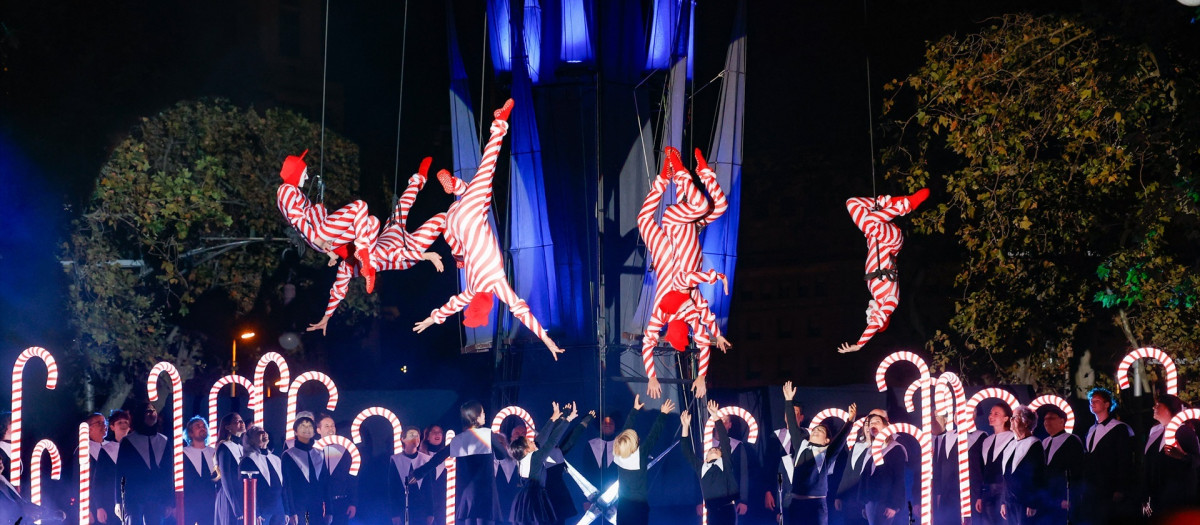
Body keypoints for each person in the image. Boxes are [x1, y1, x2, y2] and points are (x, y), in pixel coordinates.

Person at [413, 100, 563, 360]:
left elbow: (521, 311)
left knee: (488, 165)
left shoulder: (497, 284)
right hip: (454, 223)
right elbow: (452, 306)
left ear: (490, 301)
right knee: (459, 248)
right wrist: (431, 319)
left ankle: (499, 122)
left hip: (470, 216)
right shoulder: (469, 290)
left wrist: (547, 339)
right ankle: (458, 187)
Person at [307, 157, 445, 334]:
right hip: (409, 252)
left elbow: (338, 289)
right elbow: (393, 256)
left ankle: (420, 178)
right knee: (442, 217)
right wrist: (426, 256)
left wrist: (326, 316)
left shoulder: (355, 252)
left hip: (391, 235)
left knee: (401, 205)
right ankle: (459, 248)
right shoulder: (348, 267)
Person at [638, 146, 732, 400]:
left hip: (672, 238)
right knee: (720, 206)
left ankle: (673, 174)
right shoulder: (689, 310)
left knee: (697, 204)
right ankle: (701, 171)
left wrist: (715, 276)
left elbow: (686, 279)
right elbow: (702, 333)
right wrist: (717, 336)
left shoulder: (665, 307)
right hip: (686, 233)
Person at [837, 188, 929, 353]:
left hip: (874, 235)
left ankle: (887, 202)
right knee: (872, 219)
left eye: (869, 317)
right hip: (891, 242)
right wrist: (860, 343)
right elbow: (876, 324)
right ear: (881, 317)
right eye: (872, 317)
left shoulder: (873, 291)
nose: (869, 315)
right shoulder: (891, 300)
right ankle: (907, 204)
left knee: (852, 203)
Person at [276, 149, 381, 291]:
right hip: (320, 233)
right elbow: (299, 222)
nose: (306, 177)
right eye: (304, 172)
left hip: (322, 236)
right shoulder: (286, 190)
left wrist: (330, 252)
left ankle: (365, 265)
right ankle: (364, 254)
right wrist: (319, 241)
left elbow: (307, 220)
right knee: (360, 206)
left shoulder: (295, 192)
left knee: (373, 222)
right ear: (296, 172)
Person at [412, 400, 514, 525]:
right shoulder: (487, 434)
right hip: (486, 492)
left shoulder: (459, 439)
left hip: (467, 493)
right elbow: (502, 455)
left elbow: (437, 459)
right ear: (474, 416)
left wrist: (418, 473)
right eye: (482, 412)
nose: (484, 414)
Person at [782, 381, 857, 525]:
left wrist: (850, 422)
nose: (816, 430)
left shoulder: (826, 453)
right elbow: (792, 425)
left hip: (816, 506)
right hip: (796, 503)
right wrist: (788, 401)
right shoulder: (801, 445)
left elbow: (840, 440)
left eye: (821, 431)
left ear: (827, 440)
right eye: (815, 429)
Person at [508, 402, 574, 524]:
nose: (534, 442)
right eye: (530, 442)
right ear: (527, 449)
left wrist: (554, 418)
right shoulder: (536, 458)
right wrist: (568, 420)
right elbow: (551, 440)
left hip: (525, 498)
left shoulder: (523, 457)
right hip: (535, 498)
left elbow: (542, 438)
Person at [613, 395, 674, 525]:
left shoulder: (618, 454)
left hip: (623, 505)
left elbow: (624, 433)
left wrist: (634, 410)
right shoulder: (639, 456)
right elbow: (654, 435)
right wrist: (663, 414)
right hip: (639, 506)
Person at [1080, 388, 1135, 524]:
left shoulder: (1119, 428)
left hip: (1109, 487)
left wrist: (1120, 488)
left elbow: (1124, 459)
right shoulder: (1091, 429)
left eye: (1097, 401)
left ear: (1107, 404)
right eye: (1091, 401)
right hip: (1091, 487)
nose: (1092, 403)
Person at [680, 401, 740, 525]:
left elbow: (724, 440)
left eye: (716, 450)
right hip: (712, 511)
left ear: (722, 455)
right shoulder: (701, 467)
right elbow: (687, 452)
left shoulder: (725, 464)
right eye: (711, 450)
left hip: (727, 509)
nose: (713, 449)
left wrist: (716, 417)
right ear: (705, 458)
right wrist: (685, 426)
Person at [1142, 394, 1199, 518]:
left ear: (1169, 408)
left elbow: (1196, 460)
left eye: (1158, 405)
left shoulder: (1184, 431)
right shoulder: (1155, 432)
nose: (1153, 407)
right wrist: (1145, 494)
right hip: (1156, 496)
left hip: (1177, 497)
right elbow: (1148, 464)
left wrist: (1182, 456)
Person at [116, 402, 173, 524]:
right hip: (133, 496)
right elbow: (120, 473)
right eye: (148, 411)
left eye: (153, 411)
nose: (152, 414)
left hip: (157, 496)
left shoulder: (164, 441)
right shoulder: (128, 441)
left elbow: (168, 473)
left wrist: (169, 500)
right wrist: (118, 501)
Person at [831, 409, 879, 525]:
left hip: (869, 497)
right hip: (851, 497)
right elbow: (847, 471)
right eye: (866, 424)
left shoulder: (880, 447)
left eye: (872, 424)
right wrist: (839, 495)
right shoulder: (857, 446)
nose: (868, 427)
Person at [1000, 406, 1045, 525]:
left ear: (1026, 422)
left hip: (1025, 502)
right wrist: (1004, 502)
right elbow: (1006, 476)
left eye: (1015, 417)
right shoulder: (1010, 445)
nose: (1011, 420)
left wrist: (1033, 503)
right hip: (1010, 502)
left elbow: (1037, 476)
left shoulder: (1034, 444)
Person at [860, 410, 906, 525]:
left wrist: (894, 505)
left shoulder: (895, 448)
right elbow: (866, 477)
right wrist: (864, 502)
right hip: (871, 500)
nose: (873, 424)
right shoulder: (870, 450)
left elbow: (899, 479)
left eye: (877, 421)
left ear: (886, 426)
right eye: (871, 423)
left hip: (886, 502)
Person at [1038, 406, 1082, 525]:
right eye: (1045, 419)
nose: (1047, 422)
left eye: (1051, 418)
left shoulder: (1072, 440)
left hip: (1063, 496)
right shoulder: (1045, 442)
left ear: (1062, 421)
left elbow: (1077, 471)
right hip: (1048, 497)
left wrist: (1070, 497)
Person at [971, 403, 1013, 525]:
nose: (991, 416)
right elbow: (983, 469)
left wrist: (1006, 498)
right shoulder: (987, 440)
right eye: (990, 413)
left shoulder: (1013, 438)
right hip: (987, 491)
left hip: (1004, 491)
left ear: (1006, 418)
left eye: (996, 414)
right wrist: (979, 495)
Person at [282, 416, 328, 524]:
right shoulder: (289, 455)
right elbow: (286, 485)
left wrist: (329, 508)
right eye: (303, 426)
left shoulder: (320, 453)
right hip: (299, 507)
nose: (307, 429)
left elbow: (326, 483)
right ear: (296, 431)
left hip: (318, 505)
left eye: (310, 426)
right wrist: (291, 511)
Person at [76, 413, 119, 525]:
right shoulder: (83, 450)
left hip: (112, 502)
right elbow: (77, 481)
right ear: (89, 428)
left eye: (105, 423)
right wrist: (87, 509)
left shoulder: (111, 447)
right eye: (99, 423)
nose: (104, 426)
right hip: (93, 506)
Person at [239, 425, 287, 525]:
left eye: (264, 431)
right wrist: (255, 513)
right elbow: (245, 490)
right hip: (262, 510)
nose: (263, 433)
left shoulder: (276, 459)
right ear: (251, 440)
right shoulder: (248, 461)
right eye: (258, 432)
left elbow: (284, 486)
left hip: (279, 508)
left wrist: (287, 510)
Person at [318, 414, 358, 525]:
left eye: (332, 425)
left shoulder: (346, 449)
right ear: (318, 430)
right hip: (319, 504)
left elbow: (352, 478)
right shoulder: (313, 451)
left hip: (341, 503)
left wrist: (353, 502)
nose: (330, 428)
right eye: (326, 426)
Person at [389, 427, 432, 525]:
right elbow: (392, 489)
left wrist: (430, 513)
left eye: (417, 436)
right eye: (411, 435)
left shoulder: (425, 460)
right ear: (403, 439)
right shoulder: (395, 460)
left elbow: (429, 488)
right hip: (402, 509)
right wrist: (394, 514)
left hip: (421, 510)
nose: (415, 438)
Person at [180, 416, 217, 525]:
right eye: (198, 426)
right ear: (190, 433)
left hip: (210, 503)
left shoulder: (214, 452)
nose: (202, 428)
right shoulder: (182, 453)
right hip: (189, 503)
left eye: (204, 426)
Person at [213, 412, 246, 525]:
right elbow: (226, 479)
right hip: (229, 497)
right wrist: (235, 506)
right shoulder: (224, 447)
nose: (241, 423)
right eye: (237, 421)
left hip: (242, 495)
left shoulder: (242, 447)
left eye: (242, 420)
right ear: (227, 427)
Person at [420, 424, 449, 525]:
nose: (437, 434)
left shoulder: (449, 458)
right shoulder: (420, 456)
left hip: (444, 506)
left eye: (440, 432)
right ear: (427, 436)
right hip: (425, 506)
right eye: (434, 432)